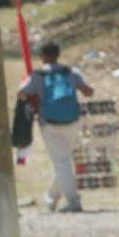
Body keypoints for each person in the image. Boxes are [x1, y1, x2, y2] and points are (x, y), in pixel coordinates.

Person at [17, 41, 94, 213]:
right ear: (58, 54)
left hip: (50, 123)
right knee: (64, 161)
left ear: (42, 56)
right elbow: (89, 91)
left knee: (62, 162)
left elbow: (21, 92)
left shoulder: (37, 75)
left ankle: (74, 201)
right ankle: (51, 197)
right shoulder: (71, 72)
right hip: (73, 121)